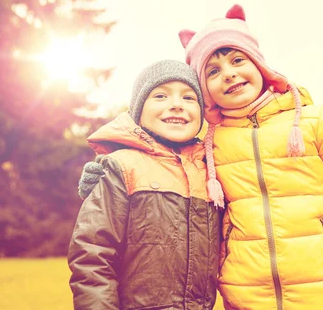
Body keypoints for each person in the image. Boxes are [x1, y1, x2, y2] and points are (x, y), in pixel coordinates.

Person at [175, 4, 323, 310]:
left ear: (259, 65)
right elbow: (161, 172)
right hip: (248, 301)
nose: (229, 74)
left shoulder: (319, 122)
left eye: (237, 60)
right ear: (204, 89)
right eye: (213, 71)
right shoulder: (209, 146)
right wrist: (109, 174)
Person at [67, 60, 221, 310]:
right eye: (160, 95)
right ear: (138, 111)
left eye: (189, 97)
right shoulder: (121, 167)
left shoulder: (211, 173)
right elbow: (93, 256)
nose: (176, 104)